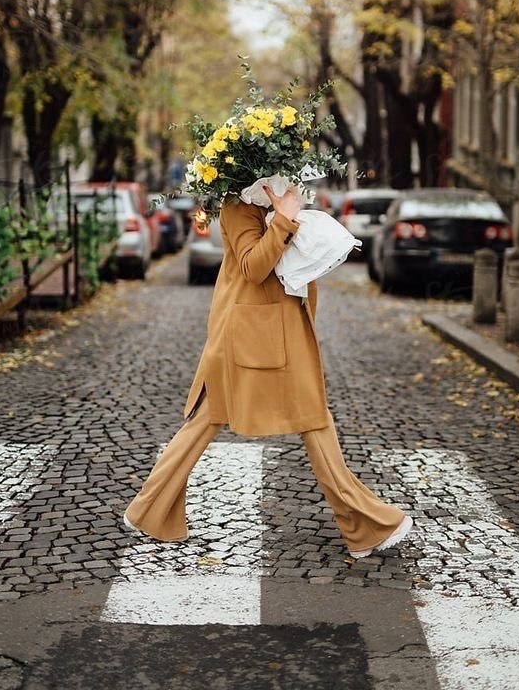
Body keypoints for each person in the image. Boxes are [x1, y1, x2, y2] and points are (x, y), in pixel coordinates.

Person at [123, 184, 413, 559]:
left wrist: (287, 216)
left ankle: (149, 510)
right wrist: (285, 217)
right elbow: (253, 266)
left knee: (248, 418)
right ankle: (365, 526)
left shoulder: (264, 204)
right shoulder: (238, 207)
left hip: (270, 330)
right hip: (251, 334)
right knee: (297, 417)